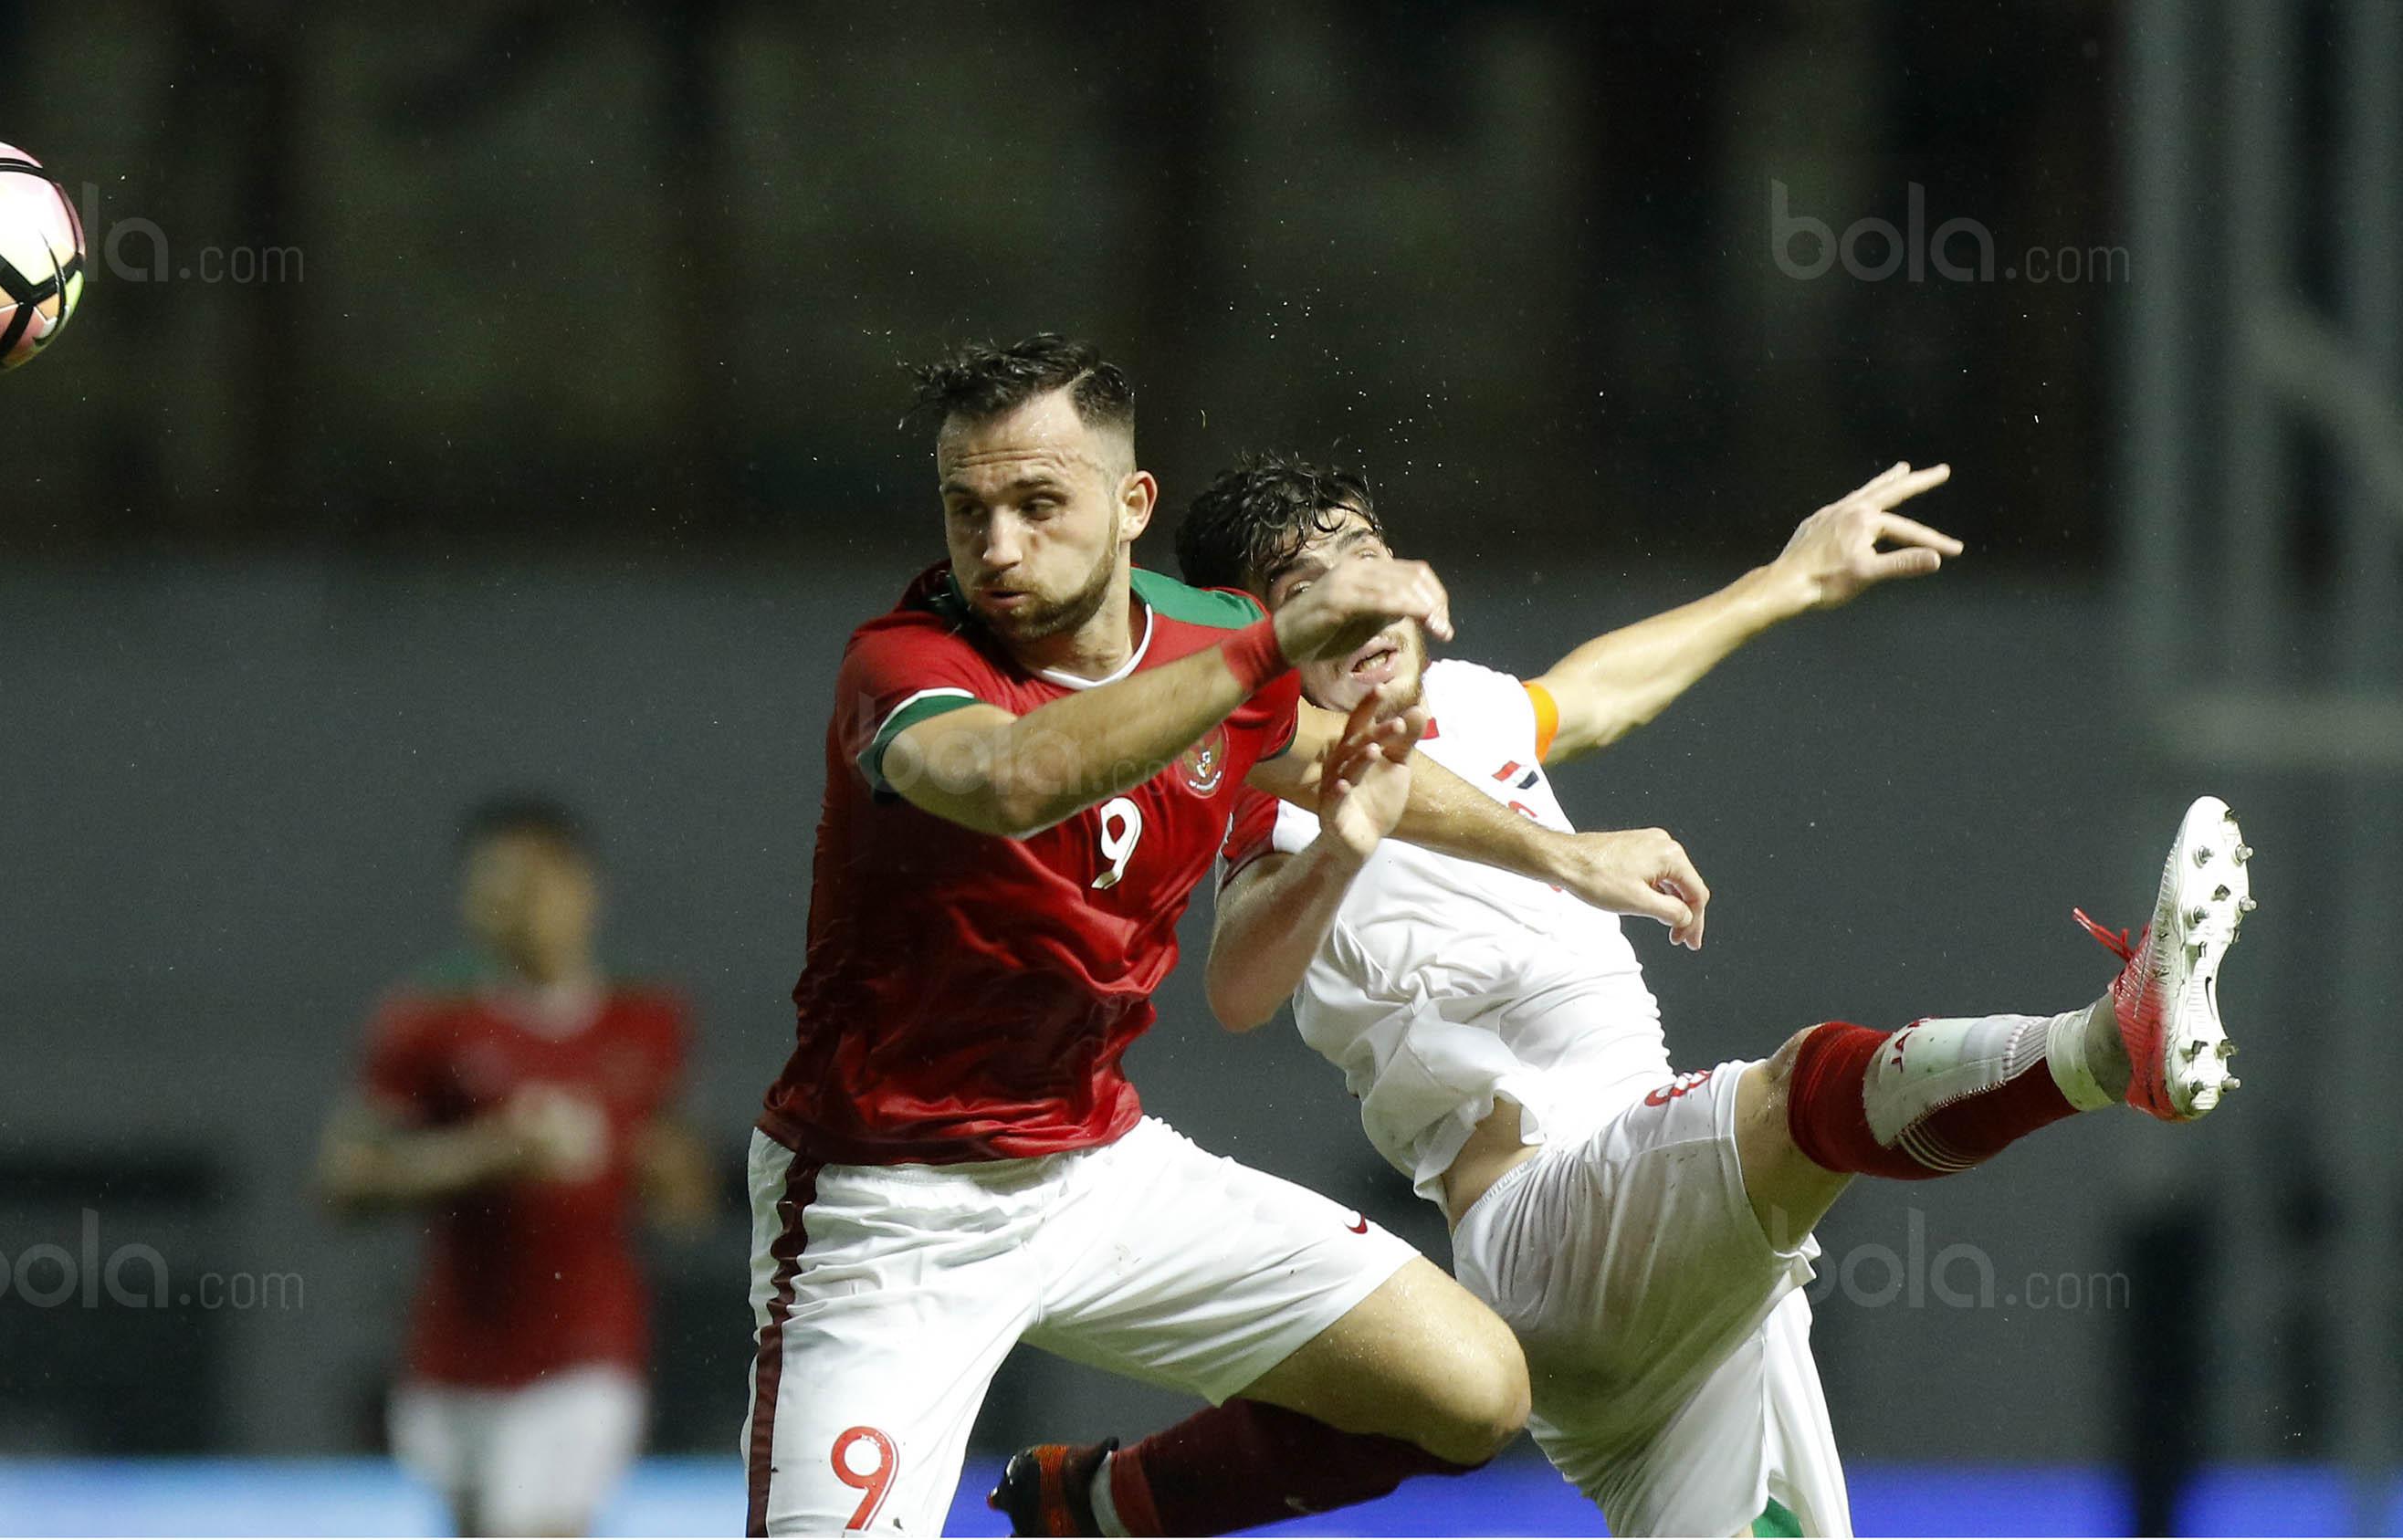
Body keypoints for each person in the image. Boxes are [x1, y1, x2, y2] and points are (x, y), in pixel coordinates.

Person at [999, 454, 2253, 1537]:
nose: (1360, 605)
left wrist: (1790, 577)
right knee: (1790, 1089)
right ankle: (2105, 1045)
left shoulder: (1472, 704)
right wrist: (1354, 836)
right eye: (1306, 590)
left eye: (1368, 559)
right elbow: (1234, 983)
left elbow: (1595, 689)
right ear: (1260, 632)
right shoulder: (1279, 788)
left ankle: (1115, 1504)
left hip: (1666, 1309)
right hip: (1547, 1220)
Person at [744, 334, 1721, 1537]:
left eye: (1038, 503)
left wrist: (1563, 854)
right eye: (968, 508)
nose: (997, 545)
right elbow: (1014, 778)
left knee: (1474, 1390)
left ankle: (1107, 1506)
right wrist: (1268, 644)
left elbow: (1332, 762)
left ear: (1130, 503)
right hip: (886, 1204)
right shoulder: (906, 664)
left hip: (1096, 1165)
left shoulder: (1209, 643)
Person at [317, 796, 713, 1537]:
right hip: (454, 1354)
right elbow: (345, 1181)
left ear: (581, 887)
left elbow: (683, 1191)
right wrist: (486, 1156)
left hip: (587, 1349)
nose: (500, 905)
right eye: (485, 885)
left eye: (523, 883)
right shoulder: (425, 1021)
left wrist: (663, 1175)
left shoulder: (646, 1021)